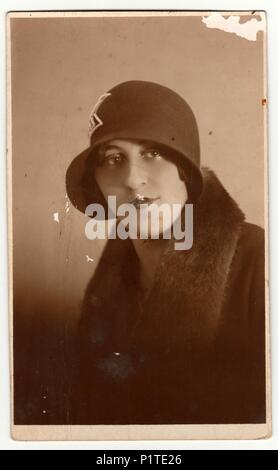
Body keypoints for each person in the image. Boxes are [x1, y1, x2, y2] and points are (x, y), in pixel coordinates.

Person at [66, 80, 266, 424]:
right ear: (97, 184)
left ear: (185, 172)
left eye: (152, 153)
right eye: (113, 158)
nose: (131, 179)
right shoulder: (111, 280)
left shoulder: (263, 260)